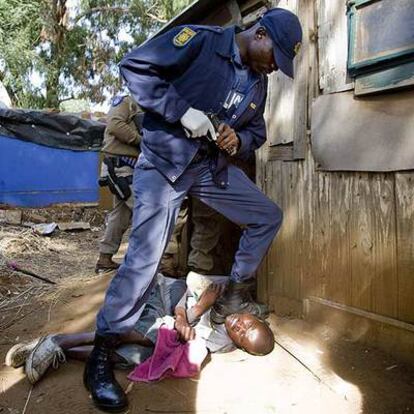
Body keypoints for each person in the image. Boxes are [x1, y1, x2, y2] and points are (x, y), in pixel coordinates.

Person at [84, 8, 302, 412]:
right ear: (259, 34)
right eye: (275, 57)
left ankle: (234, 294)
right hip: (165, 164)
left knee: (266, 216)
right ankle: (101, 354)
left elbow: (257, 132)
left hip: (208, 169)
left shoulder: (258, 81)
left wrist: (239, 140)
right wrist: (182, 112)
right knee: (145, 261)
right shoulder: (200, 40)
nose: (274, 68)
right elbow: (134, 67)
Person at [5, 273, 274, 386]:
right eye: (247, 324)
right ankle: (61, 341)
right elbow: (189, 283)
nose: (239, 325)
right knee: (155, 330)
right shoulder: (231, 292)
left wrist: (182, 328)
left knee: (139, 355)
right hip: (163, 296)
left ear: (237, 344)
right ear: (253, 316)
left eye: (240, 334)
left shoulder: (220, 342)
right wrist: (191, 312)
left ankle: (54, 349)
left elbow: (185, 341)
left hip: (163, 326)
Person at [97, 95, 187, 277]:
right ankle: (164, 264)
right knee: (152, 212)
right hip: (122, 167)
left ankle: (104, 258)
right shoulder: (127, 102)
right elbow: (114, 125)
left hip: (131, 168)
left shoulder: (152, 106)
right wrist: (143, 142)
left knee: (120, 215)